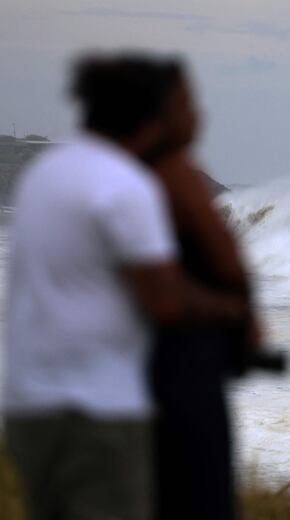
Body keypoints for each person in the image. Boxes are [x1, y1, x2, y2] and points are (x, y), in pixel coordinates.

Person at [2, 53, 248, 520]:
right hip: (95, 411)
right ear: (150, 115)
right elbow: (164, 298)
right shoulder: (124, 186)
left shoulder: (45, 173)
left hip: (28, 406)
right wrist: (227, 311)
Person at [144, 66, 264, 520]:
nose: (198, 116)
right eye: (188, 105)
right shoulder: (175, 176)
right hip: (180, 378)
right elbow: (225, 270)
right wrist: (235, 314)